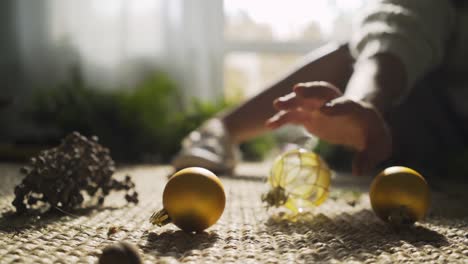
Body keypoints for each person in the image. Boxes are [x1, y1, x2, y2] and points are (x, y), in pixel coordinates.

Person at [172, 0, 468, 178]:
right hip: (422, 112)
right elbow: (397, 32)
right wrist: (363, 102)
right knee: (350, 55)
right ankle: (222, 129)